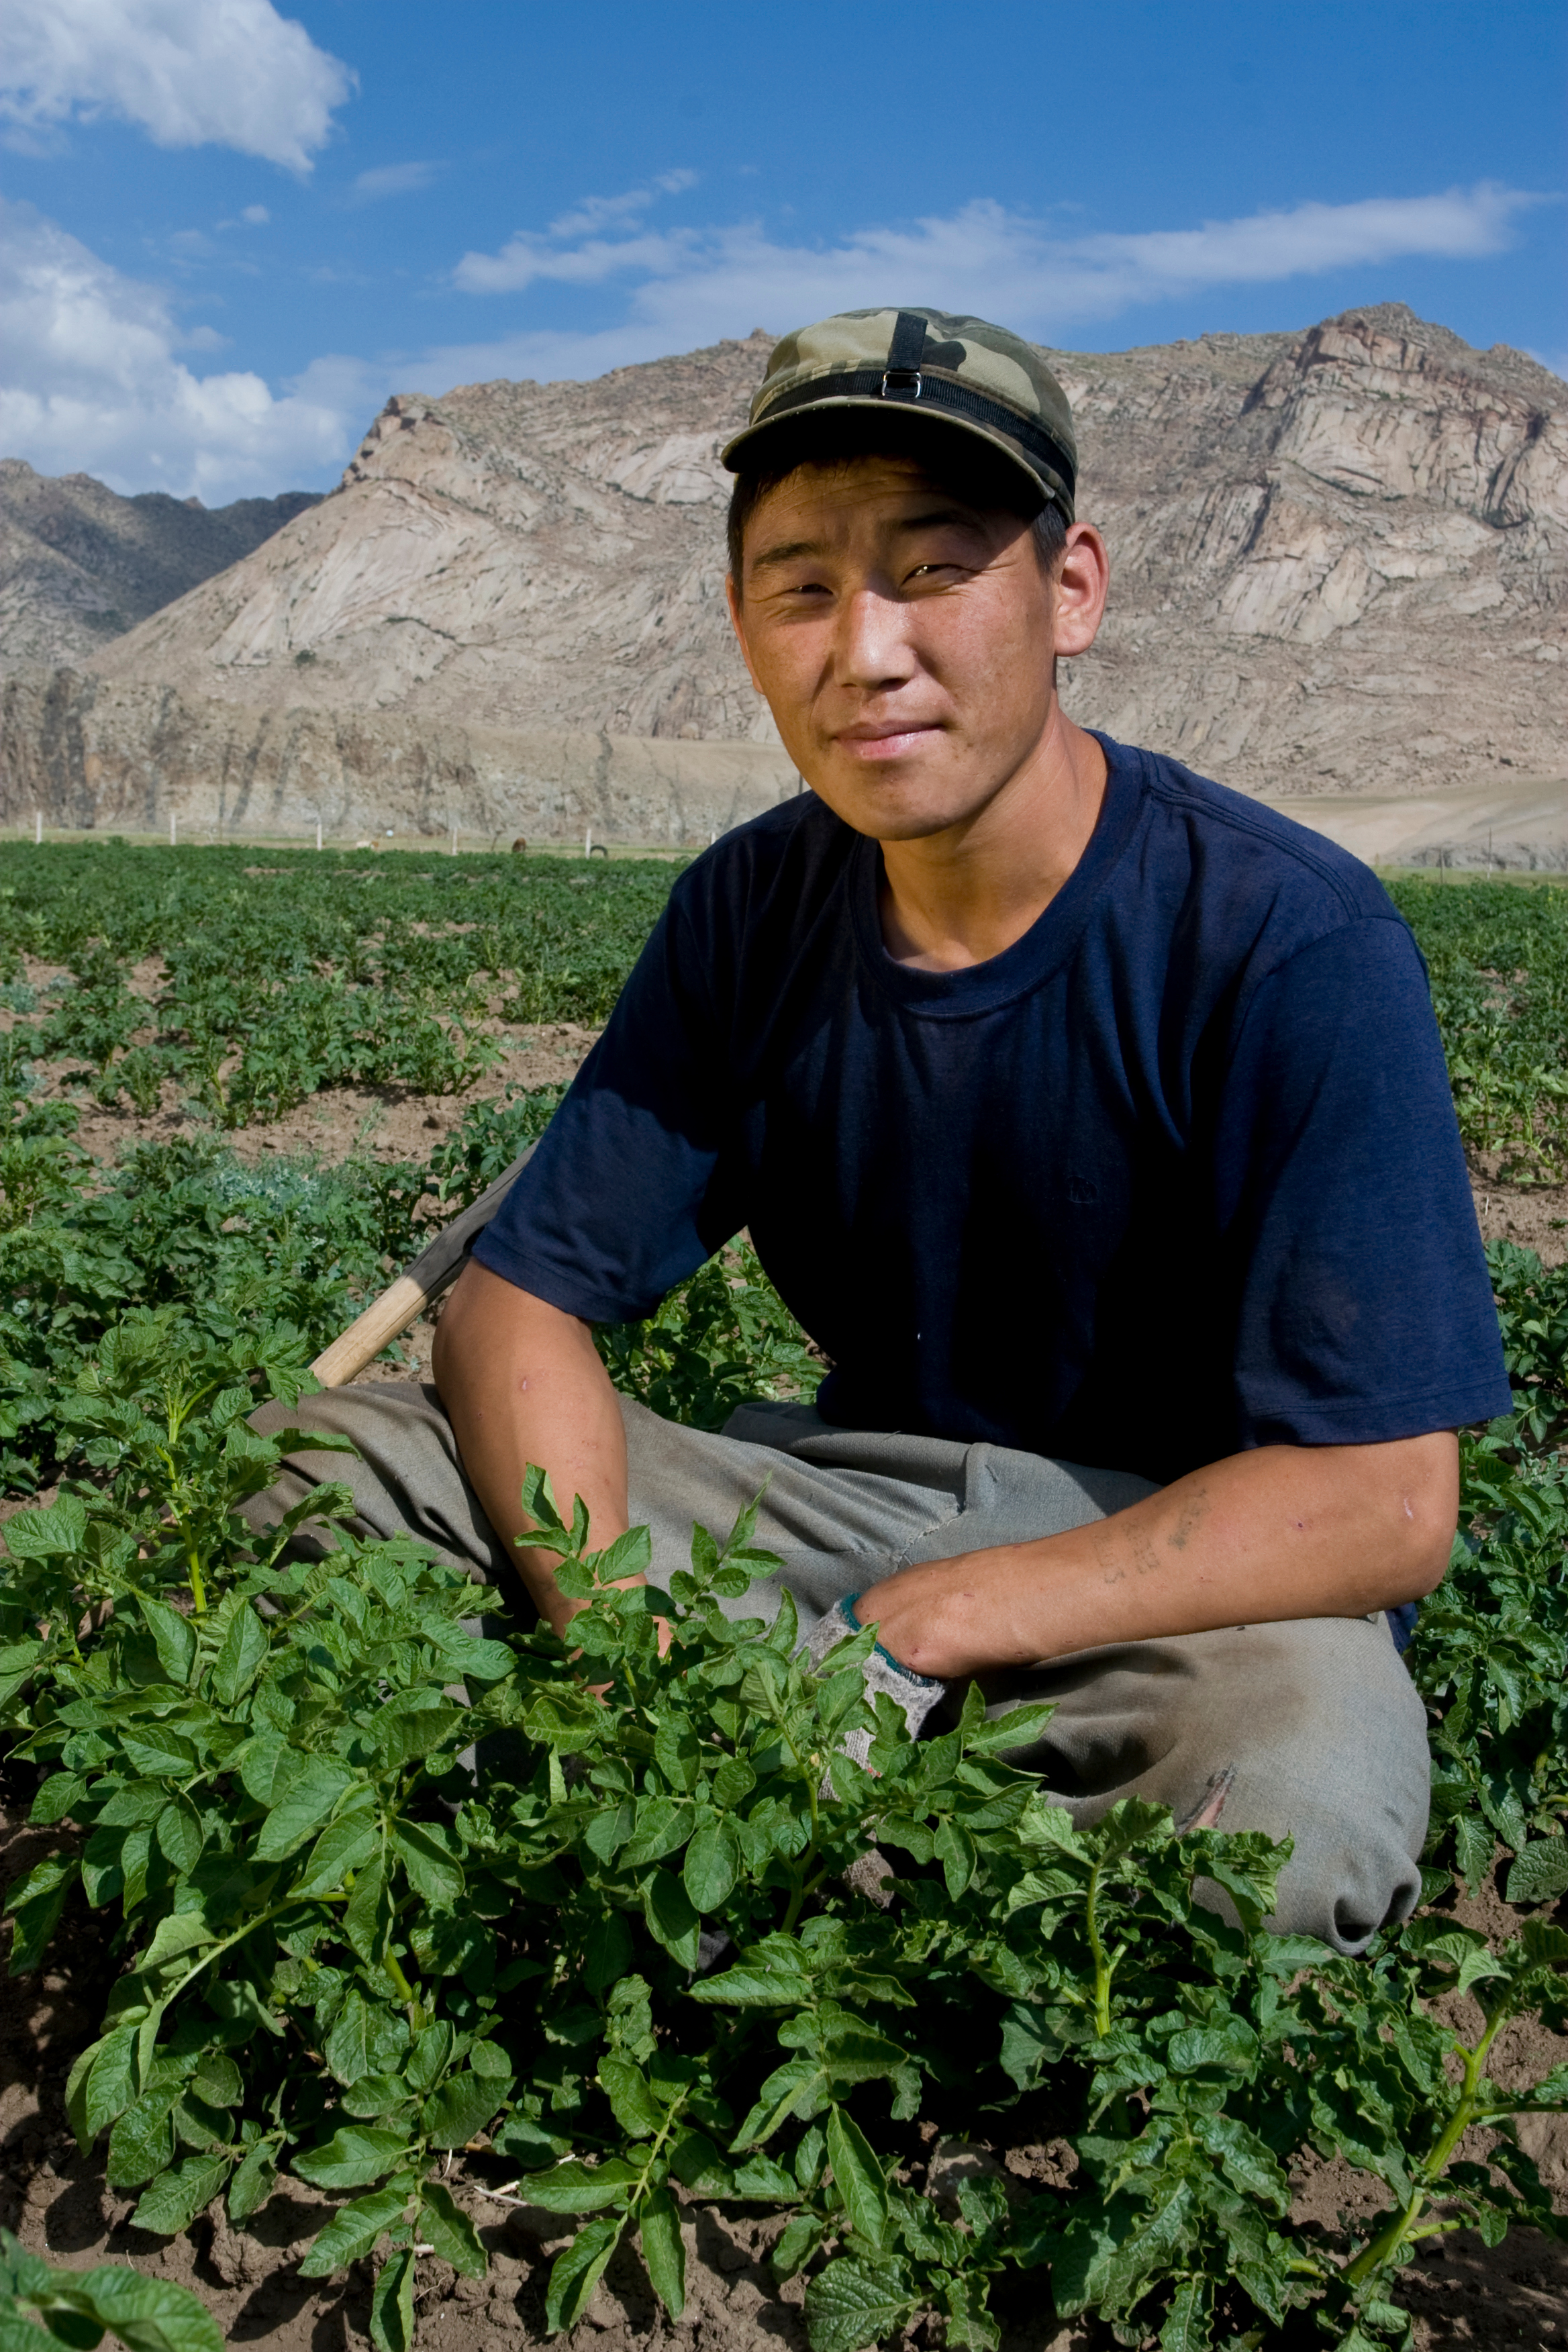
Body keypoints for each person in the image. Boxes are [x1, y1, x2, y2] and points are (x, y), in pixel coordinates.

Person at [248, 307, 1511, 1955]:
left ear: (1070, 592)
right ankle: (803, 1849)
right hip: (839, 1508)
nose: (865, 650)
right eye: (801, 589)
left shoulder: (1285, 939)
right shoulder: (750, 909)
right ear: (741, 622)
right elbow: (518, 1302)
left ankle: (791, 1887)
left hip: (1181, 1573)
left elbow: (1383, 1504)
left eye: (933, 571)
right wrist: (618, 1655)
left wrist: (943, 1616)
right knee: (317, 1472)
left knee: (1285, 1817)